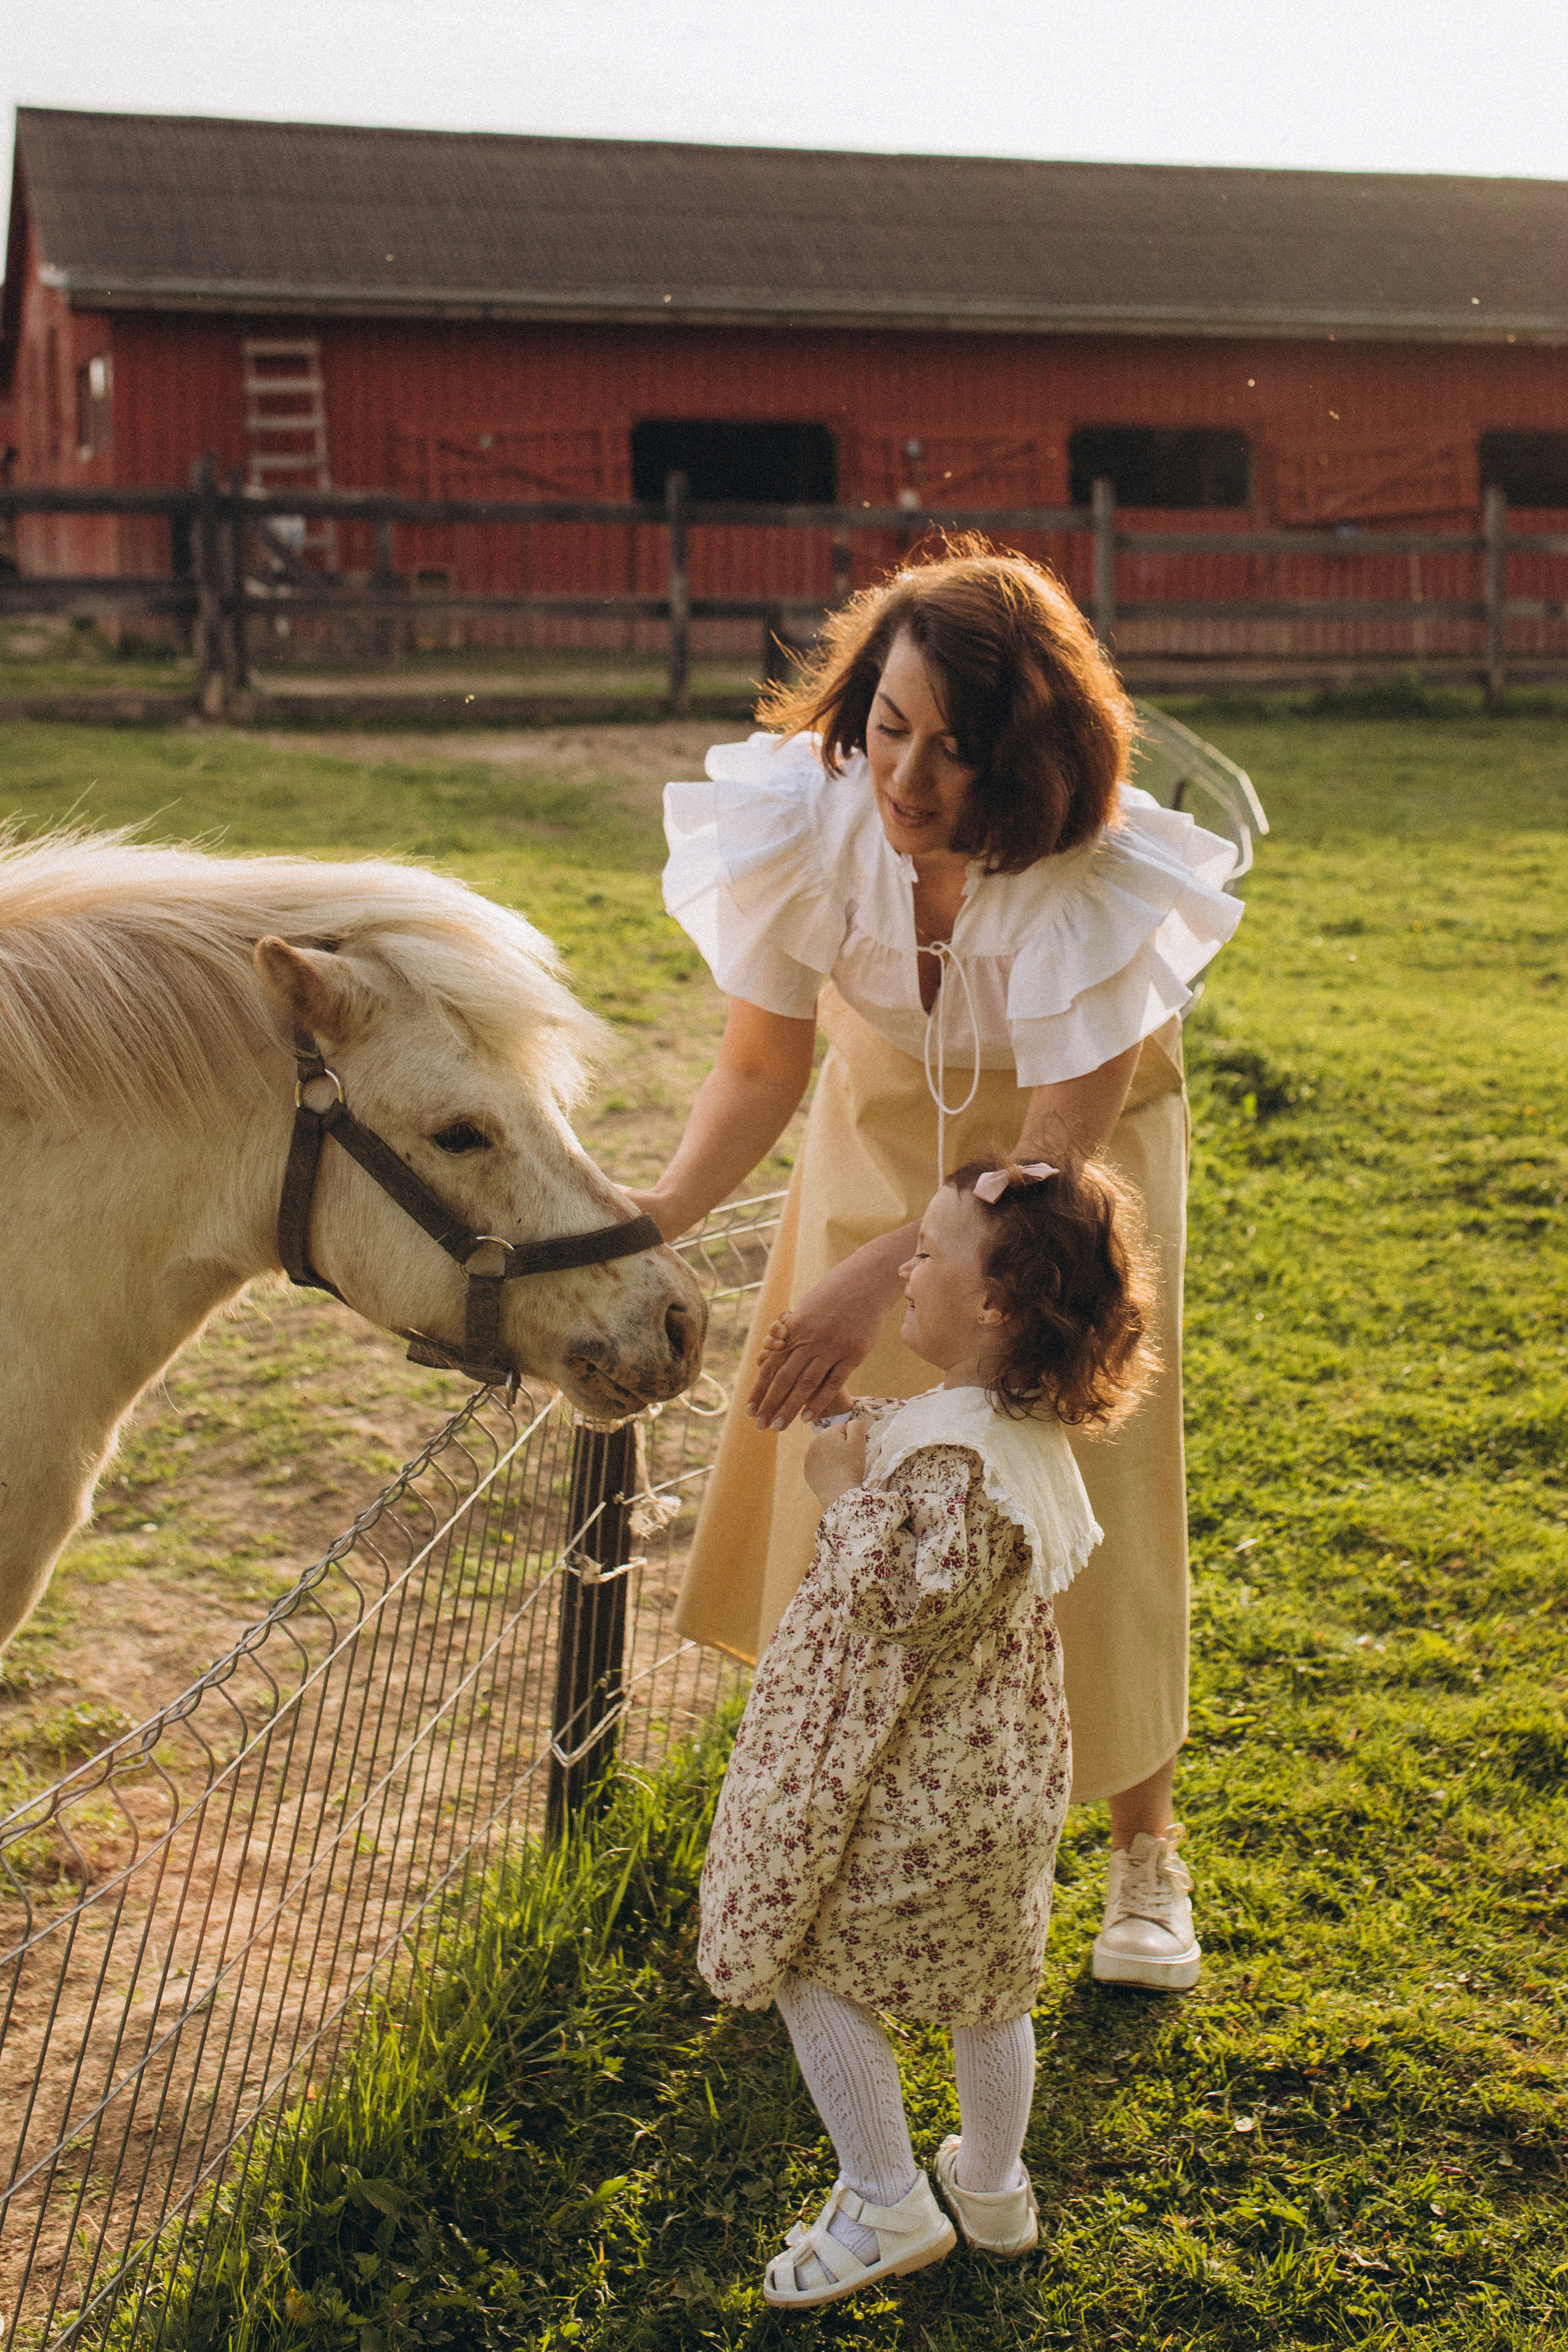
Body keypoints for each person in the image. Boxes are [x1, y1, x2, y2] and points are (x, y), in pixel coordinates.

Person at [628, 544, 1243, 1986]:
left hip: (1066, 1178)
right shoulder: (801, 818)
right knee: (841, 1468)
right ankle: (821, 1823)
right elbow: (756, 1062)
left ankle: (1140, 1850)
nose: (904, 779)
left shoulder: (1087, 873)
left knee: (1063, 1477)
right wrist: (651, 1214)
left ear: (1022, 762)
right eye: (887, 727)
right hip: (876, 1129)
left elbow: (1039, 1157)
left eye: (953, 753)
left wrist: (868, 1283)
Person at [698, 1155, 1156, 2308]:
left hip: (912, 1790)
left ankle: (885, 2196)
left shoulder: (955, 1460)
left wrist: (844, 1490)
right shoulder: (1007, 1424)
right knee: (989, 1988)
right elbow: (941, 1498)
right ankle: (993, 2189)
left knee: (807, 1957)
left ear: (995, 1303)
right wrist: (859, 1432)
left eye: (927, 1253)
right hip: (994, 1788)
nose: (904, 1264)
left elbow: (903, 1599)